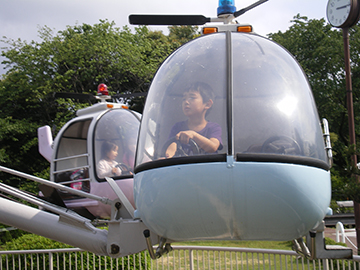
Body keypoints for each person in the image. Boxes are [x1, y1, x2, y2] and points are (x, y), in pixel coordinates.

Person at [165, 82, 223, 158]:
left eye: (192, 98)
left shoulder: (214, 127)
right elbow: (171, 149)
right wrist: (166, 157)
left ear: (207, 104)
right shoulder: (178, 127)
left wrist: (193, 135)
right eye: (184, 99)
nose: (186, 102)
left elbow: (213, 147)